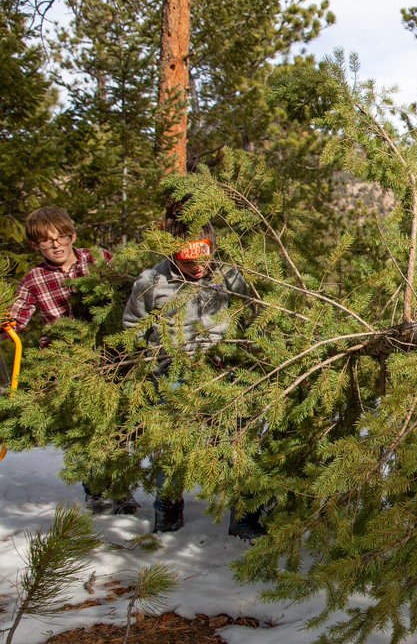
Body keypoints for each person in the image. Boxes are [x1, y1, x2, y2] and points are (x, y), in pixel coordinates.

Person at [122, 214, 259, 536]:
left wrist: (242, 350)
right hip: (172, 372)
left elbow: (248, 311)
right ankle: (167, 512)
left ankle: (243, 518)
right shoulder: (151, 282)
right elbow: (132, 326)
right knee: (170, 446)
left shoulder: (228, 275)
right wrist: (154, 358)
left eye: (203, 257)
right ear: (172, 253)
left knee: (238, 439)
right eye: (188, 261)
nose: (197, 267)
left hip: (222, 368)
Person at [3, 207, 136, 514]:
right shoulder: (35, 278)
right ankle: (95, 490)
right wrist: (5, 324)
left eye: (61, 237)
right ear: (36, 246)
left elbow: (130, 290)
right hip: (66, 361)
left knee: (115, 423)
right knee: (82, 424)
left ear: (73, 236)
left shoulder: (97, 259)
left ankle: (121, 489)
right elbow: (16, 317)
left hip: (109, 355)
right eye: (47, 242)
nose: (56, 245)